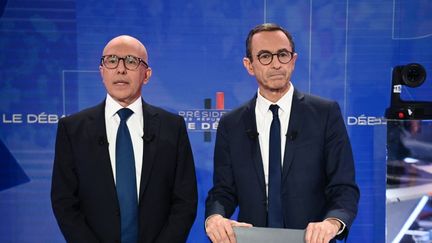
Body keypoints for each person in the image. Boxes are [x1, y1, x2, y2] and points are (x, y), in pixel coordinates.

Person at [205, 23, 360, 243]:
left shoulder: (325, 113)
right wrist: (215, 217)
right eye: (265, 56)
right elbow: (223, 191)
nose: (276, 64)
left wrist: (332, 222)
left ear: (293, 60)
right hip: (252, 239)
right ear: (249, 65)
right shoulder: (232, 124)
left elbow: (343, 186)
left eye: (283, 55)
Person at [51, 35, 198, 243]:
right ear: (102, 72)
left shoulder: (172, 127)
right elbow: (64, 202)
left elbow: (185, 201)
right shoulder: (72, 129)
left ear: (146, 74)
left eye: (130, 61)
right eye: (111, 60)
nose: (120, 69)